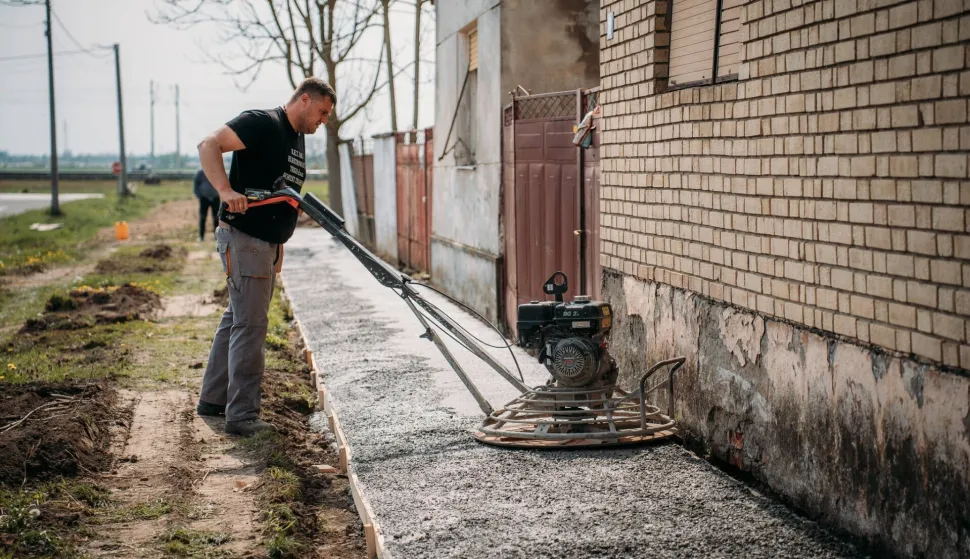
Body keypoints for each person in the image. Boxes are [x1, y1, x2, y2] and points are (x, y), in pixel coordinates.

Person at [195, 77, 336, 437]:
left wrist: (280, 244)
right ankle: (241, 416)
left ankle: (213, 400)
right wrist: (225, 190)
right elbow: (208, 144)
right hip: (245, 238)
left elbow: (282, 195)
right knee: (251, 326)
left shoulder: (296, 139)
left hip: (265, 245)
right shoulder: (262, 122)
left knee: (237, 319)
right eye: (322, 112)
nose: (322, 122)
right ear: (304, 99)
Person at [193, 168, 220, 242]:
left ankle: (217, 236)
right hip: (204, 198)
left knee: (216, 217)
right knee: (203, 217)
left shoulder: (217, 172)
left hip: (215, 197)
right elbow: (196, 185)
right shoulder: (200, 173)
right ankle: (201, 237)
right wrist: (199, 195)